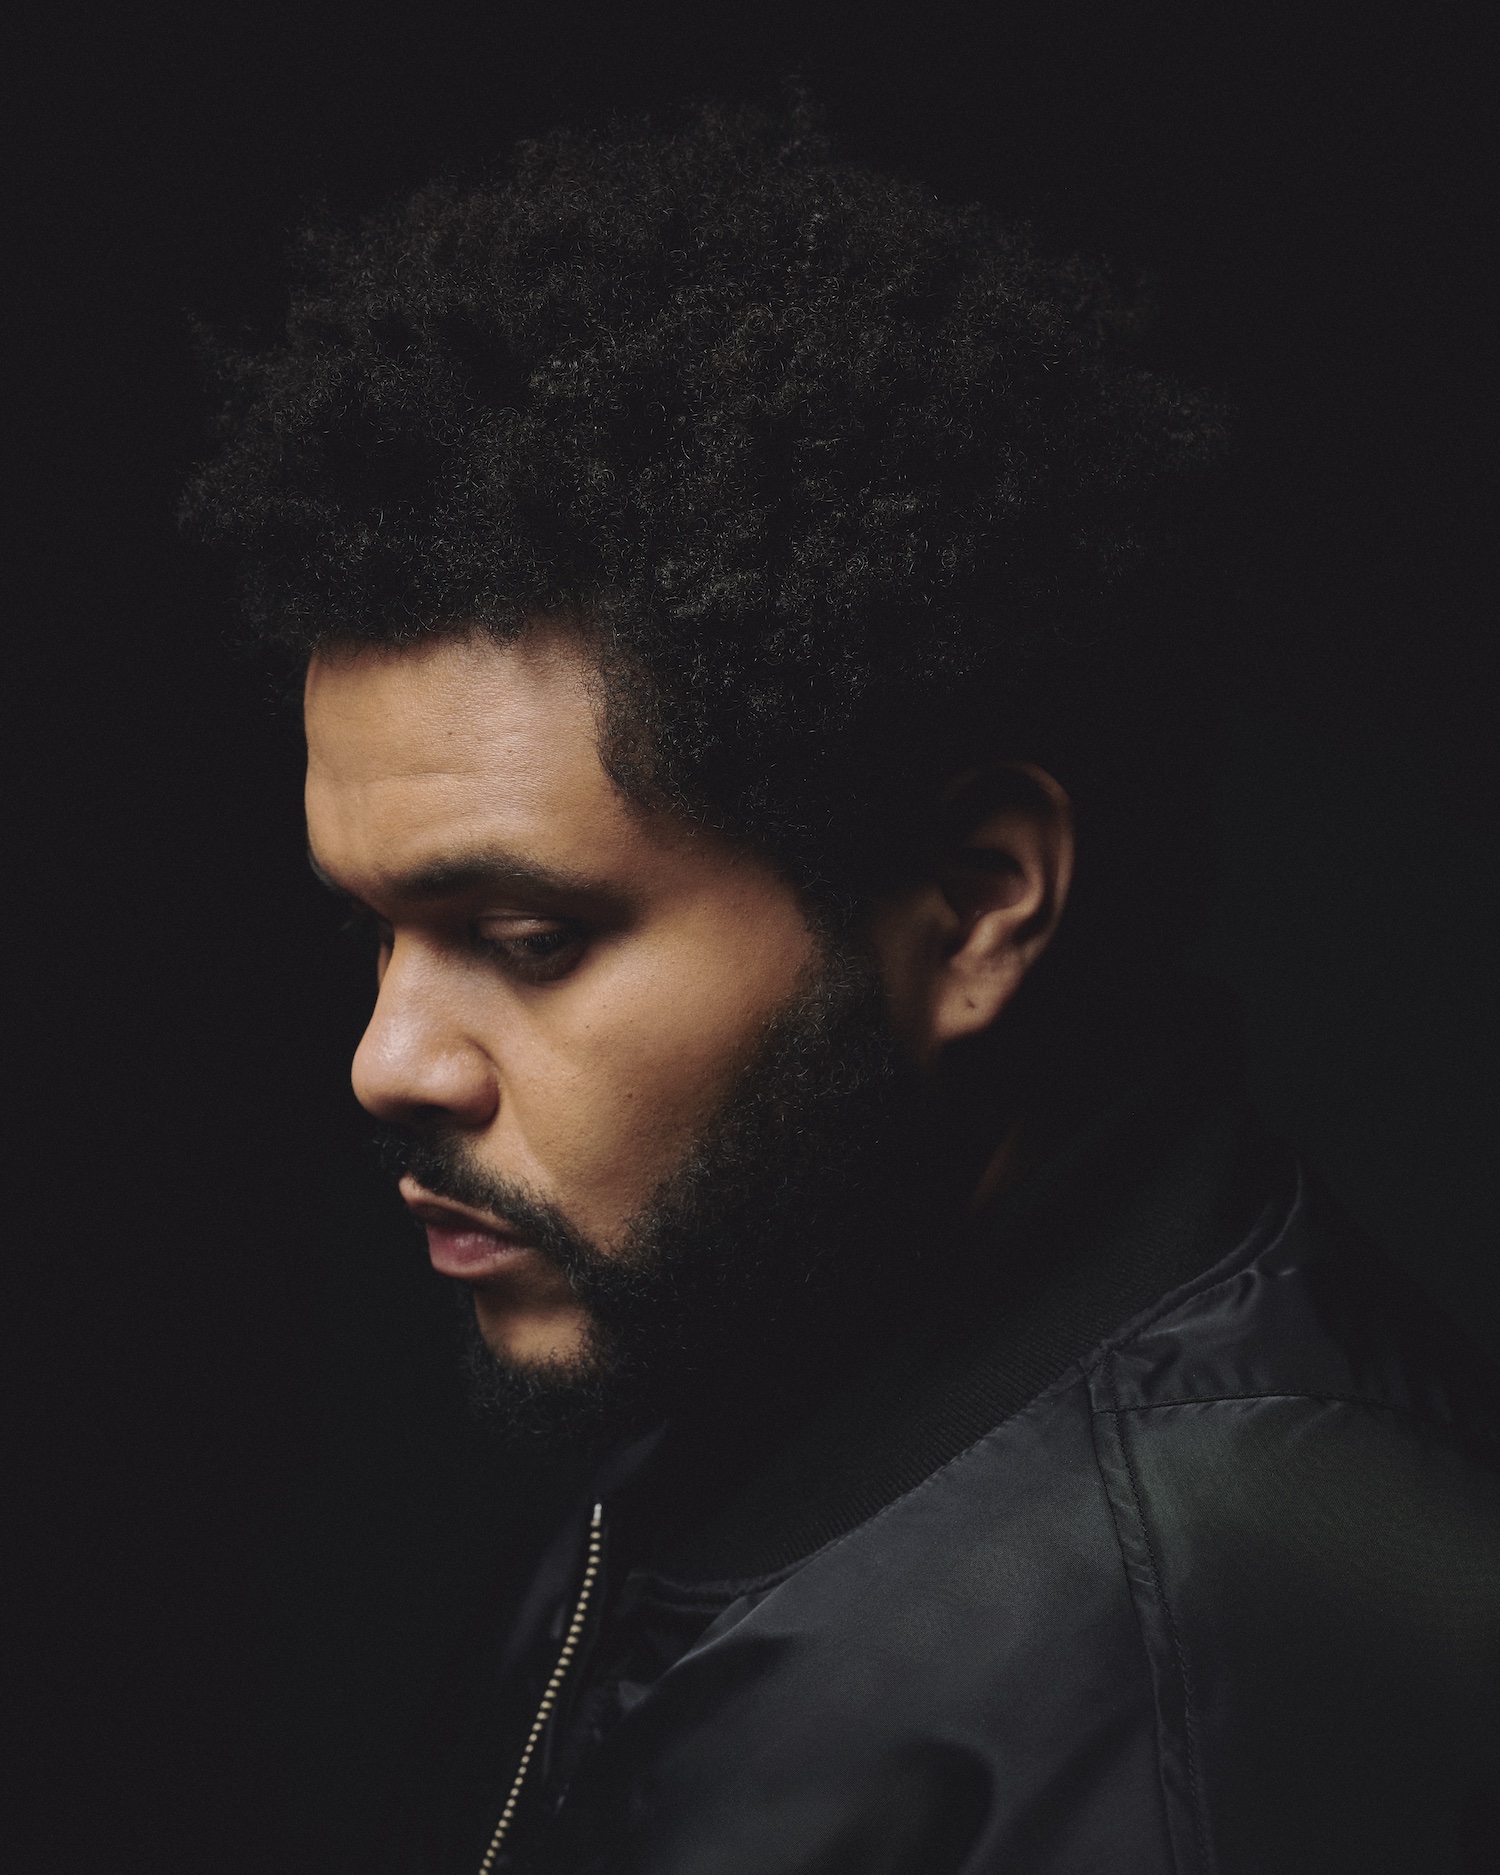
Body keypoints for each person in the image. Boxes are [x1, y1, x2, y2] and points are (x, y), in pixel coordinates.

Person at [182, 100, 1499, 1875]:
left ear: (971, 912)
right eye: (372, 932)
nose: (387, 1060)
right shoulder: (760, 1334)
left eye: (527, 938)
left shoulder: (1212, 1686)